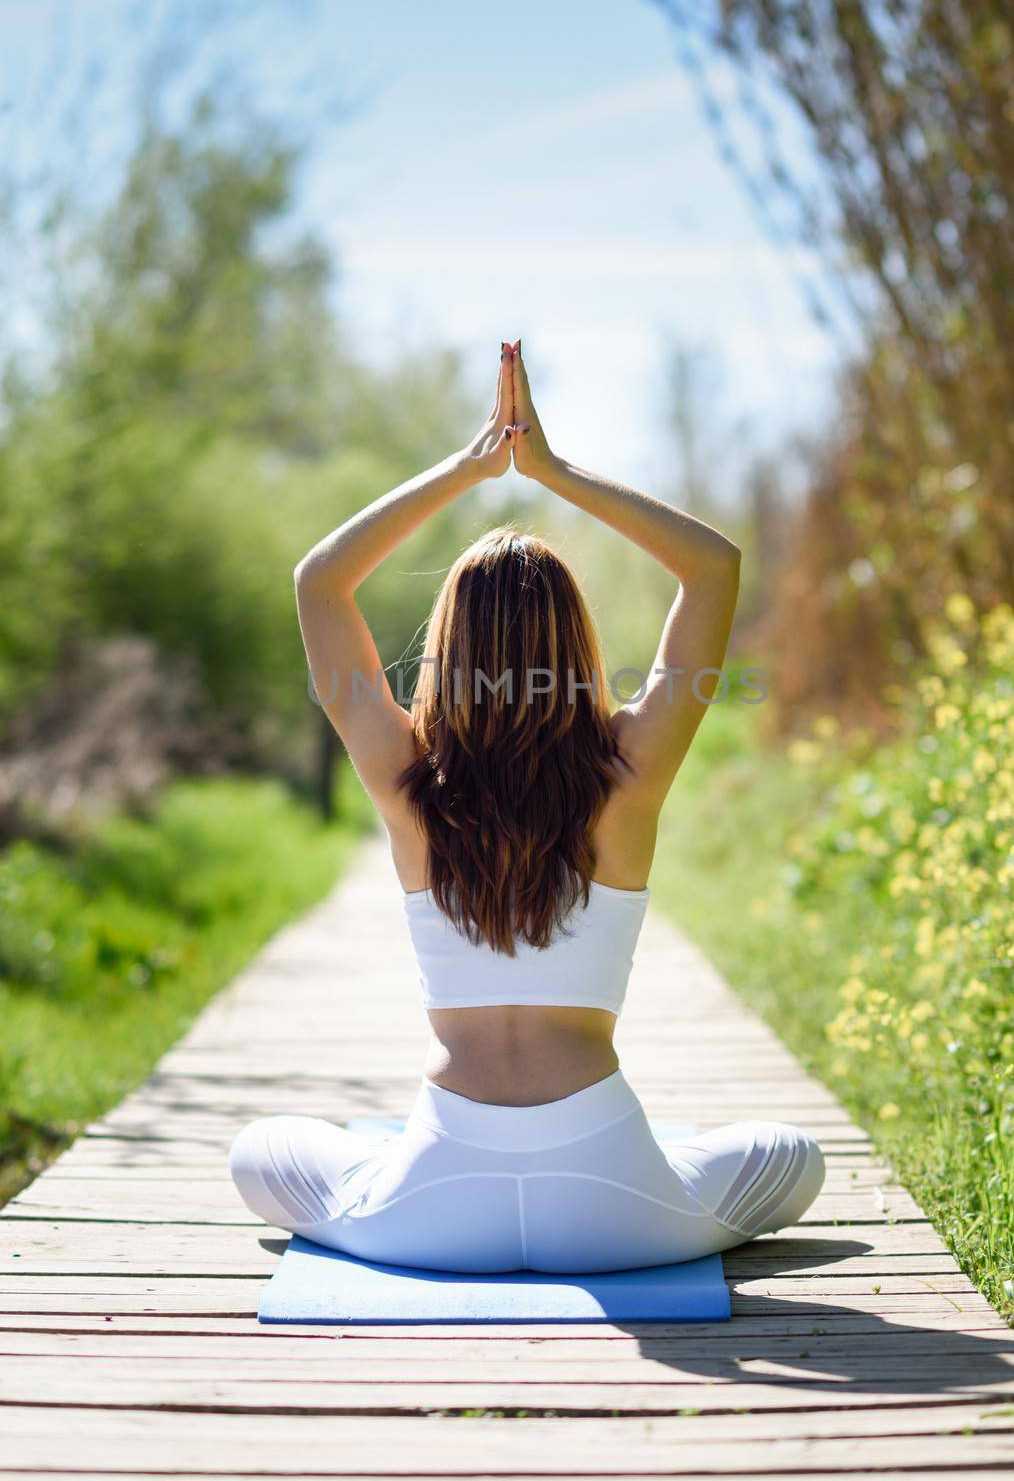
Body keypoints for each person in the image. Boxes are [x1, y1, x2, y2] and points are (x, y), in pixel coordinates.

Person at [229, 340, 825, 1274]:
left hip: (434, 1200)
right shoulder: (630, 774)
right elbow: (713, 568)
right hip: (612, 1198)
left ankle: (400, 1186)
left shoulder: (405, 782)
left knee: (260, 1150)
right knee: (791, 1158)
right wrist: (551, 470)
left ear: (446, 648)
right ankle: (653, 1185)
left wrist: (469, 470)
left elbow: (319, 581)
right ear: (578, 643)